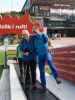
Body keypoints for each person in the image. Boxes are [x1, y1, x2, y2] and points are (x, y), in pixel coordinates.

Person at [33, 22, 61, 91]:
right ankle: (43, 85)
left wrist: (50, 46)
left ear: (38, 28)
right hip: (39, 56)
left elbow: (48, 42)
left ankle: (56, 77)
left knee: (49, 61)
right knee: (41, 70)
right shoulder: (34, 38)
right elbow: (34, 48)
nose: (34, 30)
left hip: (46, 53)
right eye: (34, 29)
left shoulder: (43, 35)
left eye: (36, 28)